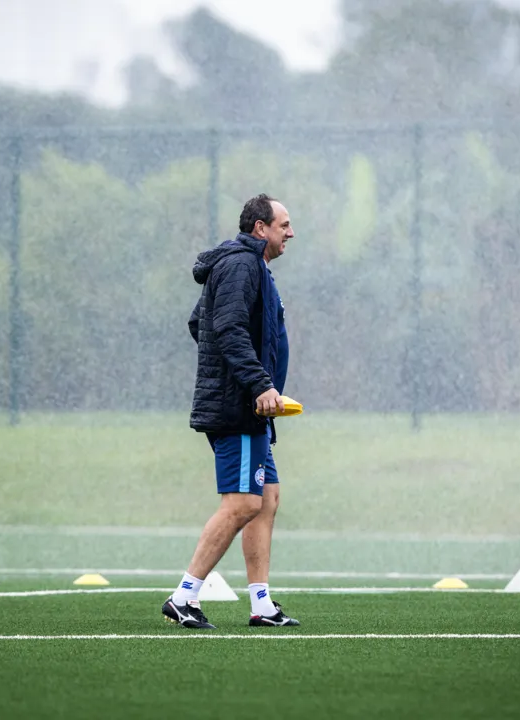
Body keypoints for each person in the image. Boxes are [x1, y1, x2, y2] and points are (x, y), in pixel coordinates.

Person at [161, 193, 299, 629]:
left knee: (267, 499)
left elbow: (199, 323)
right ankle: (183, 597)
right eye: (284, 225)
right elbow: (225, 327)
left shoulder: (253, 267)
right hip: (238, 408)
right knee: (242, 503)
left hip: (253, 411)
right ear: (260, 228)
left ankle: (261, 605)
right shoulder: (240, 265)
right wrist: (256, 383)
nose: (290, 232)